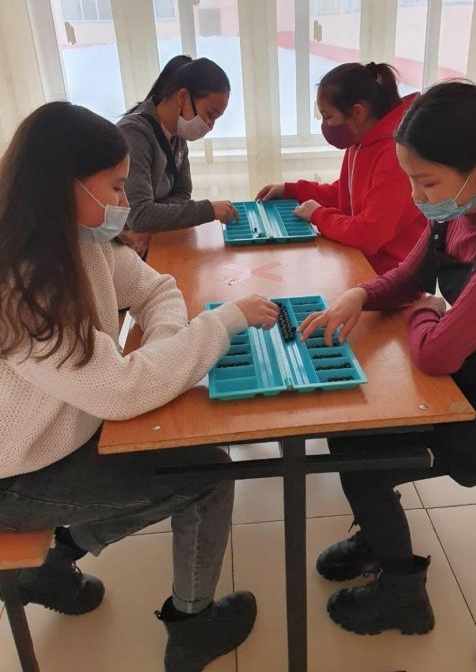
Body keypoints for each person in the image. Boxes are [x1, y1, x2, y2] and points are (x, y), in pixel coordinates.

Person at [297, 81, 476, 637]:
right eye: (410, 178)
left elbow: (435, 352)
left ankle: (402, 593)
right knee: (353, 433)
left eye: (425, 181)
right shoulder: (458, 206)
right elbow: (411, 276)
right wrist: (358, 295)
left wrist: (427, 311)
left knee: (364, 458)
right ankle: (378, 536)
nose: (416, 195)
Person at [0, 102, 279, 671]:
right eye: (115, 187)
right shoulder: (23, 285)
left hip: (66, 435)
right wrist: (222, 323)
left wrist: (164, 351)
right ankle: (193, 626)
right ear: (65, 185)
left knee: (185, 458)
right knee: (207, 476)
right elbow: (122, 392)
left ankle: (52, 563)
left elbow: (157, 290)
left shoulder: (81, 239)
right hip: (18, 476)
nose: (125, 203)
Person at [256, 62, 427, 274]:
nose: (325, 125)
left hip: (391, 276)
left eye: (328, 116)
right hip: (359, 262)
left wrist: (318, 215)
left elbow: (369, 234)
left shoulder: (395, 154)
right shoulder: (360, 141)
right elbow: (345, 194)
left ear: (357, 112)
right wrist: (292, 190)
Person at [117, 55, 239, 257]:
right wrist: (209, 210)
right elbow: (139, 215)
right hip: (129, 251)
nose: (210, 125)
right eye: (210, 114)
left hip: (153, 243)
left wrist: (153, 222)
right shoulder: (134, 134)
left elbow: (183, 193)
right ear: (183, 98)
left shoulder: (177, 134)